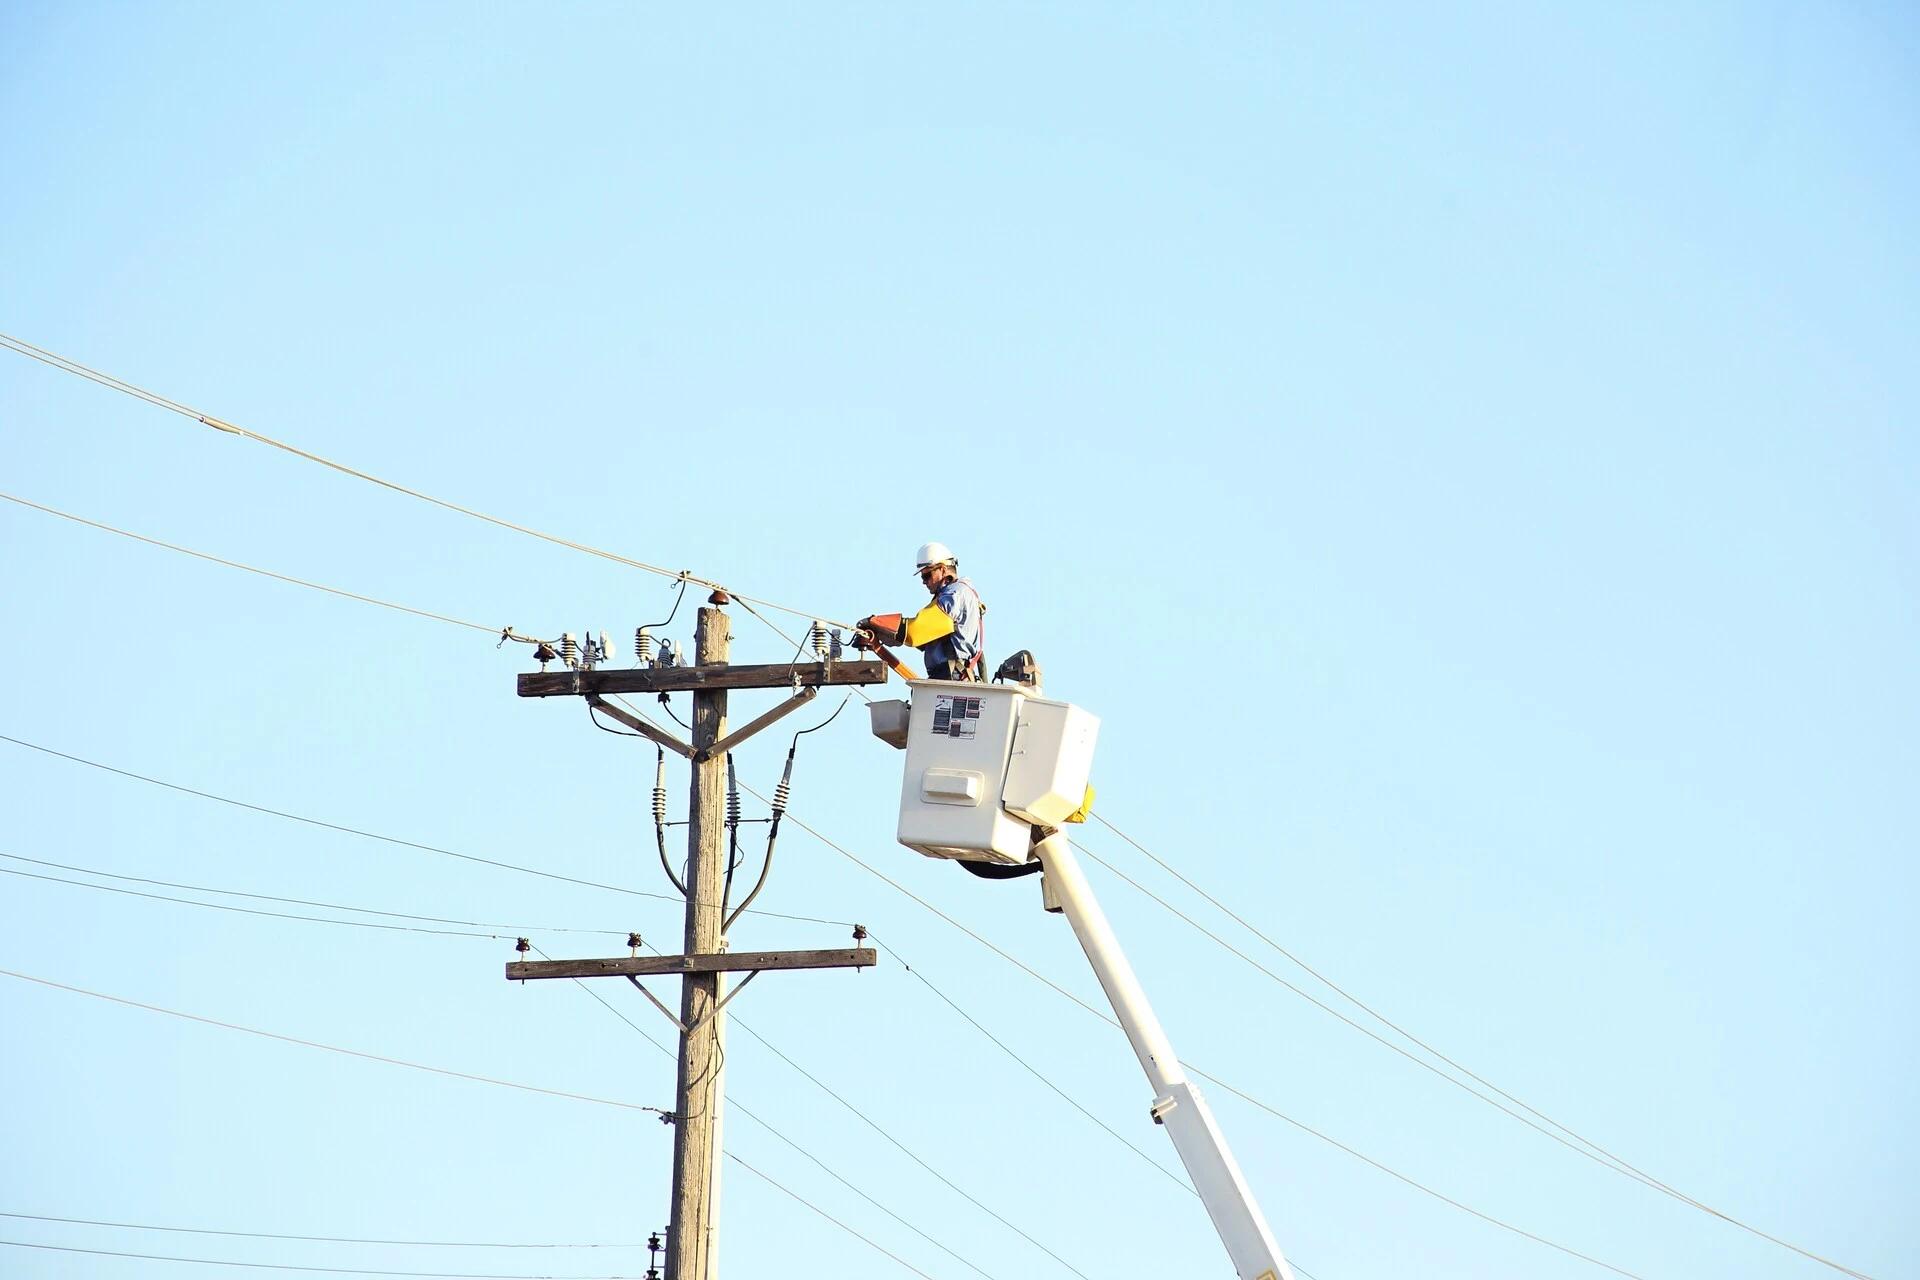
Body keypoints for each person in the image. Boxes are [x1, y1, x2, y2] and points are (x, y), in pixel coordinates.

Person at [857, 541, 986, 680]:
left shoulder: (955, 594)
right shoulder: (956, 594)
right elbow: (922, 640)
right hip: (949, 676)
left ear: (942, 569)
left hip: (952, 677)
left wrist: (875, 622)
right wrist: (882, 633)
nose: (924, 581)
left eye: (926, 575)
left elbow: (916, 631)